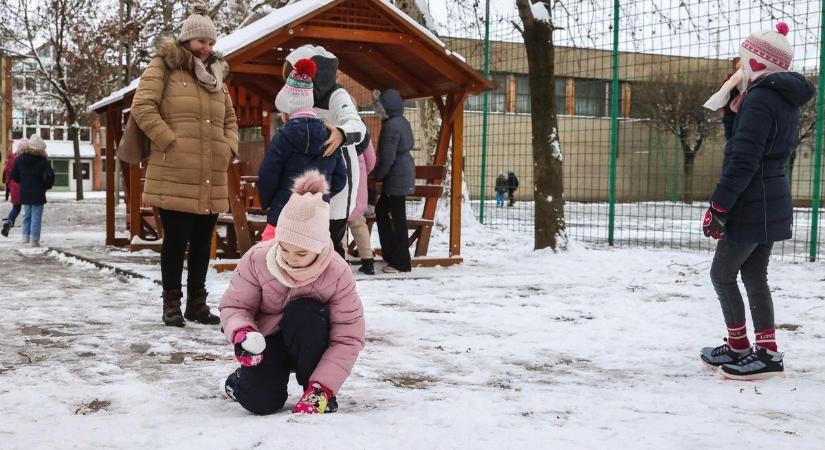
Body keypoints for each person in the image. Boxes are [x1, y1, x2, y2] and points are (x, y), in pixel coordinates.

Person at [700, 22, 814, 381]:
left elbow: (742, 160)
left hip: (752, 201)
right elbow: (744, 145)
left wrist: (719, 207)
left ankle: (741, 347)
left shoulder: (761, 99)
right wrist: (731, 112)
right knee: (753, 275)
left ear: (757, 61)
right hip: (770, 198)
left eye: (744, 58)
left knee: (722, 275)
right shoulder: (778, 96)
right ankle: (765, 352)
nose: (740, 65)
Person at [219, 170, 365, 415]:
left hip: (311, 342)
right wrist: (243, 333)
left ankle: (315, 391)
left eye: (301, 253)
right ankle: (241, 381)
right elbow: (236, 306)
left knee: (306, 312)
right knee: (261, 403)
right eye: (284, 248)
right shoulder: (258, 258)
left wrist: (324, 387)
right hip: (268, 341)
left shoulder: (337, 272)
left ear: (319, 247)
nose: (290, 259)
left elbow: (348, 336)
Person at [131, 5, 239, 327]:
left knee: (204, 241)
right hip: (175, 171)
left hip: (211, 172)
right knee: (176, 241)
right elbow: (142, 106)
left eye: (211, 42)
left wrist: (228, 147)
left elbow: (230, 118)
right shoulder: (164, 67)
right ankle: (172, 304)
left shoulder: (217, 75)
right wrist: (169, 141)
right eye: (201, 41)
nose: (207, 47)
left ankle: (197, 304)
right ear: (187, 40)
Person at [282, 45, 366, 259]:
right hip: (307, 180)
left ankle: (335, 278)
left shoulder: (336, 95)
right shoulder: (298, 97)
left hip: (337, 179)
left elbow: (356, 125)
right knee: (305, 244)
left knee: (330, 242)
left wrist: (341, 133)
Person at [257, 58, 346, 241]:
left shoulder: (284, 136)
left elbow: (268, 174)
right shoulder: (330, 136)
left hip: (283, 213)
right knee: (310, 255)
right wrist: (321, 195)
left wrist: (268, 202)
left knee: (271, 252)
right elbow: (340, 178)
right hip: (317, 217)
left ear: (287, 110)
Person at [373, 89, 415, 273]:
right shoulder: (401, 121)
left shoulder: (391, 126)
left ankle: (401, 262)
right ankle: (391, 254)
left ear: (386, 107)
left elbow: (387, 157)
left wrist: (378, 176)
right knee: (382, 210)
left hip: (396, 175)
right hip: (403, 172)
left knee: (398, 218)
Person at [10, 135, 54, 247]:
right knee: (36, 217)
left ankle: (25, 237)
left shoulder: (20, 158)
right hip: (38, 192)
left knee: (27, 215)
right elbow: (50, 175)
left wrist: (23, 182)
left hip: (25, 192)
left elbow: (13, 174)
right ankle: (34, 240)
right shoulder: (43, 160)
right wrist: (46, 186)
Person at [347, 129, 377, 275]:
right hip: (358, 180)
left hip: (338, 181)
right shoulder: (361, 131)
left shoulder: (332, 126)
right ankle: (368, 262)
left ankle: (342, 262)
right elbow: (371, 161)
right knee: (359, 224)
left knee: (338, 225)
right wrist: (363, 171)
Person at [703, 57, 746, 140]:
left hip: (740, 114)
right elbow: (726, 98)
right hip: (730, 115)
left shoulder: (746, 80)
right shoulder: (730, 80)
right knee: (731, 139)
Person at [1, 139, 23, 237]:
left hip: (13, 186)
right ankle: (28, 233)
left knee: (16, 207)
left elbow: (8, 173)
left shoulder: (11, 160)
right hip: (22, 186)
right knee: (30, 209)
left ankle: (9, 222)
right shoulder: (22, 160)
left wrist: (9, 185)